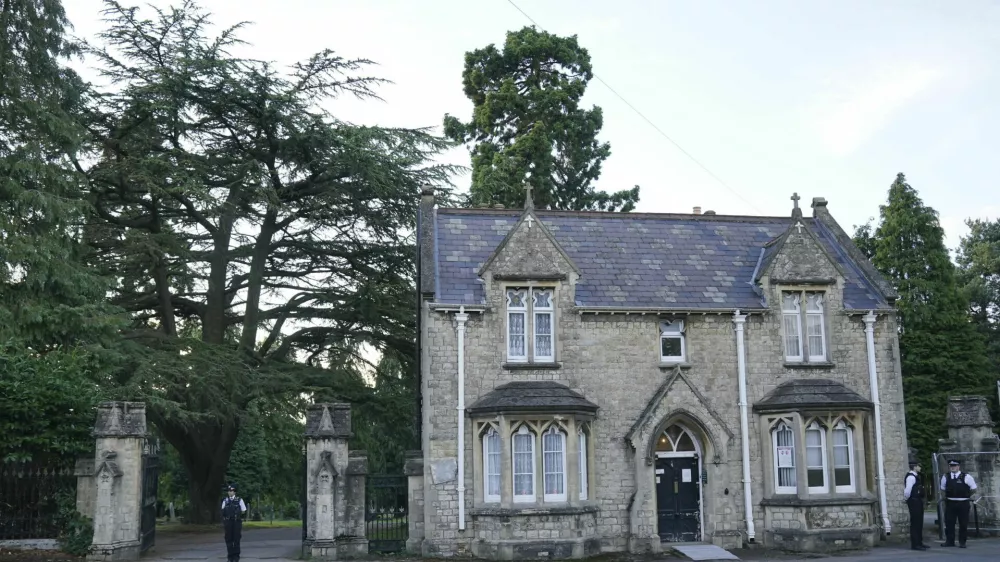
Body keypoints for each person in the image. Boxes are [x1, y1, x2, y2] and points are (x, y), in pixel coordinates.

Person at [939, 459, 977, 548]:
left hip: (963, 503)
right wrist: (946, 498)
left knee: (963, 523)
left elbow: (974, 488)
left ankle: (962, 542)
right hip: (950, 503)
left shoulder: (966, 476)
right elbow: (943, 489)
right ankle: (949, 541)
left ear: (958, 466)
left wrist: (966, 496)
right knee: (949, 523)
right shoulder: (946, 477)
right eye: (951, 466)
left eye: (955, 466)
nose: (953, 467)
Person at [903, 460, 929, 550]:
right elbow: (907, 490)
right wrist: (907, 499)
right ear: (914, 467)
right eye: (919, 466)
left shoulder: (916, 476)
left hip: (917, 500)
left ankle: (919, 542)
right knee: (915, 523)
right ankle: (915, 544)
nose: (920, 468)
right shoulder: (911, 477)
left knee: (919, 522)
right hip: (914, 501)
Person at [221, 484, 247, 562]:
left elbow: (243, 510)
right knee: (228, 539)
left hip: (236, 522)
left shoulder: (239, 500)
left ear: (234, 491)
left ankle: (236, 557)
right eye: (228, 491)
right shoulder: (225, 500)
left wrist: (238, 516)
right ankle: (230, 557)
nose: (229, 492)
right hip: (228, 522)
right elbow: (222, 511)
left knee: (236, 539)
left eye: (231, 491)